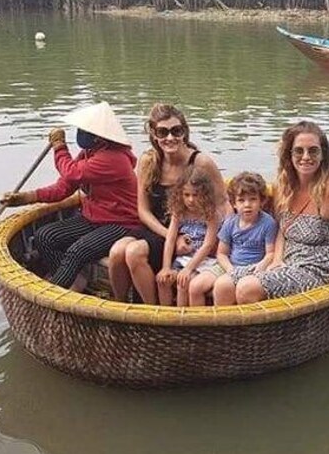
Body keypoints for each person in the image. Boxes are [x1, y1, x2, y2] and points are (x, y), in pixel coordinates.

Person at [213, 120, 329, 305]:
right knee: (222, 284)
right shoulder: (284, 186)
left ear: (323, 155)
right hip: (286, 260)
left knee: (246, 287)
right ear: (289, 154)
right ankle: (230, 334)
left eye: (313, 150)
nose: (306, 157)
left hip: (317, 267)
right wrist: (276, 259)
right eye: (299, 150)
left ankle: (258, 334)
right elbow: (281, 227)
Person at [0, 102, 141, 291]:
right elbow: (64, 188)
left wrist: (59, 147)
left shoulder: (114, 158)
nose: (80, 133)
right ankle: (74, 279)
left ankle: (54, 290)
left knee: (77, 251)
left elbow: (72, 173)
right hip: (93, 218)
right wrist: (26, 197)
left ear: (99, 135)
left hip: (121, 223)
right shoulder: (88, 154)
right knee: (44, 236)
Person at [107, 103, 229, 304]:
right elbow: (143, 210)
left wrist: (225, 240)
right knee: (117, 251)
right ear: (154, 135)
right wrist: (173, 235)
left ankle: (152, 310)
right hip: (160, 229)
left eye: (176, 131)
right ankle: (120, 306)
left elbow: (223, 202)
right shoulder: (148, 161)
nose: (170, 138)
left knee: (133, 252)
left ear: (184, 133)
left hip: (189, 231)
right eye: (163, 132)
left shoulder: (200, 162)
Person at [189, 172, 277, 306]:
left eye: (253, 199)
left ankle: (228, 323)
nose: (247, 205)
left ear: (262, 201)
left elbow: (270, 253)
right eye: (241, 200)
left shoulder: (268, 223)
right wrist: (230, 269)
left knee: (222, 286)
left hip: (254, 268)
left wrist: (262, 266)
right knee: (195, 286)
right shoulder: (231, 222)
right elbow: (222, 253)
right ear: (234, 204)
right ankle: (199, 323)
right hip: (229, 265)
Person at [155, 167, 221, 306]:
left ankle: (182, 320)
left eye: (195, 195)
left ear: (204, 194)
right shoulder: (179, 212)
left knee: (183, 282)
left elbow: (208, 245)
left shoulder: (211, 215)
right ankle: (166, 318)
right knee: (163, 280)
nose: (190, 200)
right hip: (182, 259)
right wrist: (166, 266)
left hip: (203, 261)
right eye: (186, 195)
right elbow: (171, 239)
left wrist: (189, 268)